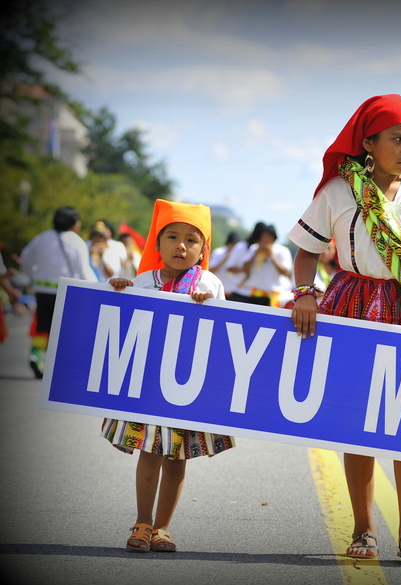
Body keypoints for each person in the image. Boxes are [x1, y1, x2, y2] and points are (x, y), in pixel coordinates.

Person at [288, 94, 401, 564]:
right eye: (397, 138)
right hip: (352, 306)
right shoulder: (337, 192)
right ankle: (364, 529)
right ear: (368, 143)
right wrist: (305, 293)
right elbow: (307, 251)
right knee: (359, 424)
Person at [102, 199, 235, 552]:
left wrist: (209, 305)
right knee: (149, 453)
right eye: (172, 237)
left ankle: (162, 528)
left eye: (191, 240)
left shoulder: (211, 284)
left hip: (188, 388)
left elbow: (224, 333)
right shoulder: (144, 281)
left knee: (176, 459)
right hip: (149, 386)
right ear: (157, 245)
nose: (181, 246)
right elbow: (124, 324)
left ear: (204, 248)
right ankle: (142, 524)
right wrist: (120, 291)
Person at [20, 207, 97, 378]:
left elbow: (25, 260)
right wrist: (98, 288)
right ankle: (60, 367)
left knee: (42, 326)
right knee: (65, 329)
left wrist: (34, 276)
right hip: (66, 292)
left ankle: (36, 355)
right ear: (74, 223)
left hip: (41, 290)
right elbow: (84, 271)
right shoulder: (76, 241)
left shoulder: (41, 238)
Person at [232, 224, 292, 307]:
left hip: (274, 296)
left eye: (268, 237)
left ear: (273, 238)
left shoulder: (282, 250)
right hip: (255, 295)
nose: (265, 240)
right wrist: (255, 254)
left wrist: (272, 256)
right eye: (263, 237)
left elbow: (286, 272)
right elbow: (245, 269)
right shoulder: (254, 248)